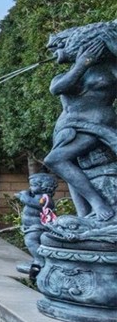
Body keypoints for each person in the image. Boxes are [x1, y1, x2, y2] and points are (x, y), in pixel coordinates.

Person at [43, 20, 117, 222]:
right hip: (67, 128)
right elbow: (57, 88)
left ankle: (98, 203)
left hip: (95, 124)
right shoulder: (68, 73)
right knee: (72, 171)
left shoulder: (110, 70)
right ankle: (84, 216)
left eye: (60, 45)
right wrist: (82, 63)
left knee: (56, 160)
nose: (53, 51)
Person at [16, 173, 58, 272]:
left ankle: (40, 261)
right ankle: (38, 259)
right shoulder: (37, 197)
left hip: (38, 227)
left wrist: (24, 195)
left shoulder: (45, 199)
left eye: (33, 185)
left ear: (44, 186)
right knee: (30, 242)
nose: (30, 188)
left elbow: (33, 203)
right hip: (30, 227)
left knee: (31, 241)